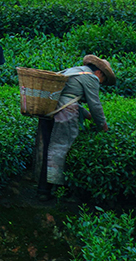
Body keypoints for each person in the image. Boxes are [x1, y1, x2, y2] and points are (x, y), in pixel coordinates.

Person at [36, 54, 116, 200]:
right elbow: (95, 105)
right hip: (63, 116)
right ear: (99, 73)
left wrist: (86, 115)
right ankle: (58, 189)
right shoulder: (91, 77)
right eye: (103, 80)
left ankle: (43, 190)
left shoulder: (73, 71)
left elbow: (68, 97)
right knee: (61, 150)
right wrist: (103, 126)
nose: (101, 82)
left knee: (48, 148)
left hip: (48, 111)